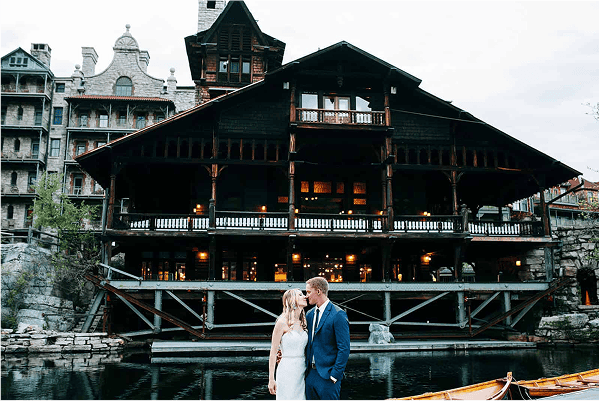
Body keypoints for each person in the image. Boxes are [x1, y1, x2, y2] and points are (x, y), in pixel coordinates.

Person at [305, 277, 350, 400]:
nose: (306, 296)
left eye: (309, 292)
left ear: (318, 291)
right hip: (310, 375)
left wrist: (335, 375)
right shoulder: (309, 315)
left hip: (328, 377)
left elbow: (344, 348)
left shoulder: (338, 314)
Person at [269, 288, 309, 400]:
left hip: (302, 369)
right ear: (292, 300)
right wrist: (271, 379)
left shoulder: (304, 322)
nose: (305, 296)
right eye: (300, 295)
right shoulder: (281, 322)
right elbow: (273, 352)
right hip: (287, 369)